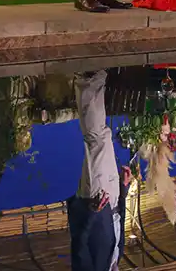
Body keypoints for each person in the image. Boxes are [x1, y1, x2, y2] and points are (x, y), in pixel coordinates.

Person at [67, 70, 134, 271]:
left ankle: (87, 80)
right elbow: (119, 222)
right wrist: (123, 189)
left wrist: (92, 213)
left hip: (94, 201)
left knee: (95, 140)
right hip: (111, 199)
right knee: (102, 136)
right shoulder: (116, 258)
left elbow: (78, 244)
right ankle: (95, 81)